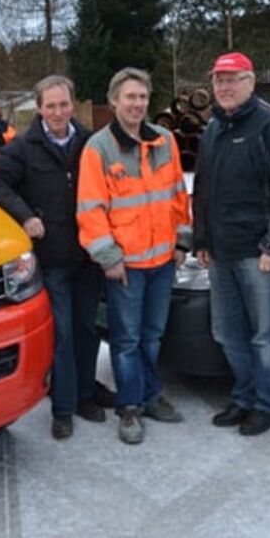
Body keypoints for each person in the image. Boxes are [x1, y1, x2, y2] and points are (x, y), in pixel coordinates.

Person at [0, 76, 107, 440]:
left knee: (87, 328)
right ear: (39, 108)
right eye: (50, 106)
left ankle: (86, 394)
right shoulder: (24, 146)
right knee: (63, 334)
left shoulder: (89, 142)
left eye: (63, 105)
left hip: (87, 253)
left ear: (73, 104)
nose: (57, 112)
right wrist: (25, 216)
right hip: (52, 257)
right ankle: (63, 407)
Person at [77, 67, 191, 445]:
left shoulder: (165, 141)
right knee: (126, 340)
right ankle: (129, 407)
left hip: (161, 262)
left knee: (153, 336)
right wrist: (108, 257)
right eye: (129, 97)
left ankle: (150, 394)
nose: (137, 104)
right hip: (126, 266)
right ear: (113, 101)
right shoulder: (98, 148)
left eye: (142, 97)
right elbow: (91, 209)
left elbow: (178, 194)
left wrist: (181, 243)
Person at [192, 52, 270, 436]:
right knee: (227, 332)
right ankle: (243, 397)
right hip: (221, 253)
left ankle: (268, 405)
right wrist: (201, 238)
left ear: (251, 82)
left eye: (232, 79)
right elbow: (203, 189)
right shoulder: (212, 129)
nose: (224, 87)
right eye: (219, 80)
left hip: (257, 255)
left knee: (264, 335)